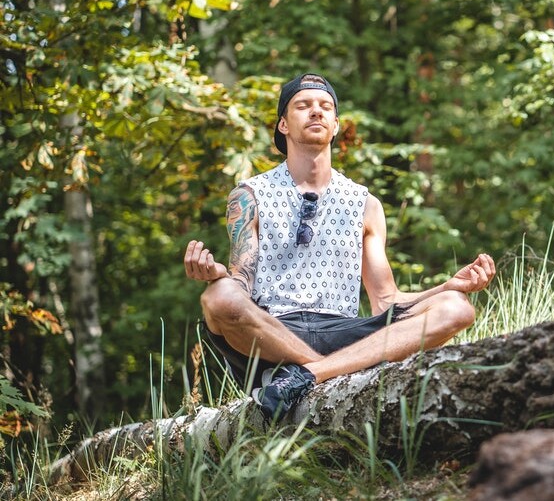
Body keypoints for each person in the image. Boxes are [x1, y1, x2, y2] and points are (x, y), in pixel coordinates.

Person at [183, 73, 496, 420]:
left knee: (457, 308)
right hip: (272, 331)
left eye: (325, 107)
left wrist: (447, 286)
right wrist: (220, 275)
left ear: (334, 126)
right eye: (303, 106)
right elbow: (242, 282)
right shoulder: (250, 195)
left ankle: (304, 377)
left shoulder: (365, 204)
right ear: (283, 125)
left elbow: (386, 300)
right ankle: (326, 371)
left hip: (343, 330)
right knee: (218, 297)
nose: (316, 112)